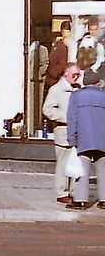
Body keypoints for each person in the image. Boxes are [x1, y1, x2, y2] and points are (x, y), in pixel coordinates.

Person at [66, 68, 105, 210]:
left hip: (84, 137)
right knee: (103, 169)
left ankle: (81, 200)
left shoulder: (76, 96)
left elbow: (72, 119)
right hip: (102, 138)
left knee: (82, 169)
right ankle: (104, 200)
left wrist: (72, 139)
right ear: (98, 83)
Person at [42, 62, 81, 204]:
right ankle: (61, 192)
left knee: (74, 164)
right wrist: (66, 118)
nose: (76, 77)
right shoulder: (56, 89)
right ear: (66, 74)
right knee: (63, 164)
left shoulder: (77, 89)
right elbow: (47, 109)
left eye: (78, 75)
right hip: (63, 133)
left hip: (76, 134)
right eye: (74, 74)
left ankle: (73, 191)